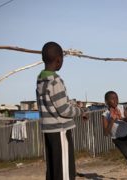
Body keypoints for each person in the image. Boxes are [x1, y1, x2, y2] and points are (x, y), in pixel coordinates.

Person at [36, 41, 87, 180]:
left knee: (53, 170)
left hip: (49, 130)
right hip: (60, 130)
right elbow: (63, 110)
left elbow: (56, 103)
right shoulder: (55, 81)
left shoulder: (41, 80)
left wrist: (73, 104)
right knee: (65, 172)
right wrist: (80, 111)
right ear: (59, 60)